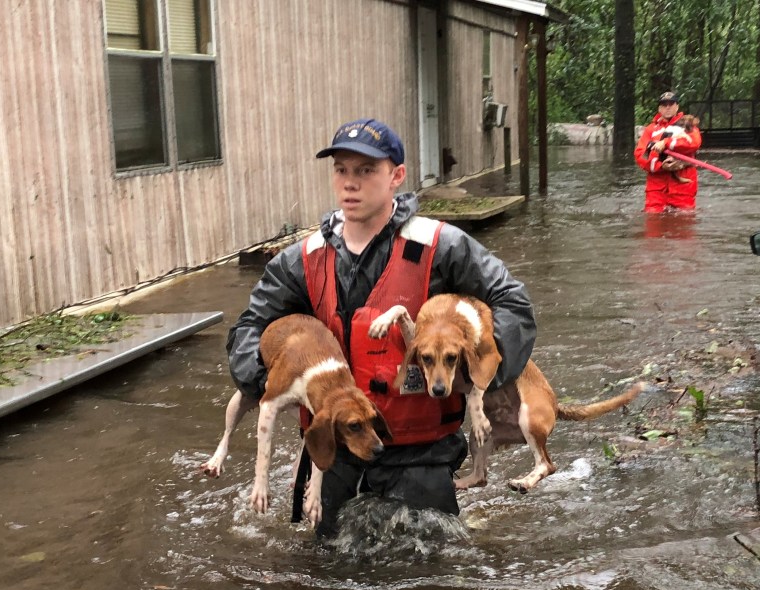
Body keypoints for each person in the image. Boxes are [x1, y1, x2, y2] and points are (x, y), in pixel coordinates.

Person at [226, 118, 536, 538]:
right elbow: (250, 327)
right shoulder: (301, 259)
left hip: (420, 454)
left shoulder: (442, 246)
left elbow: (513, 303)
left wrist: (481, 371)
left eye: (366, 170)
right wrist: (269, 380)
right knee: (326, 576)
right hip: (332, 449)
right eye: (341, 170)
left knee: (430, 580)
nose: (350, 183)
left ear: (397, 176)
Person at [634, 91, 703, 213]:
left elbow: (694, 143)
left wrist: (666, 142)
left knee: (684, 224)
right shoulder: (650, 130)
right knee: (653, 222)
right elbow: (640, 155)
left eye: (671, 103)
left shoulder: (687, 125)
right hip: (656, 188)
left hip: (683, 186)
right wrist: (662, 166)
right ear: (659, 108)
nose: (668, 107)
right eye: (664, 104)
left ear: (677, 106)